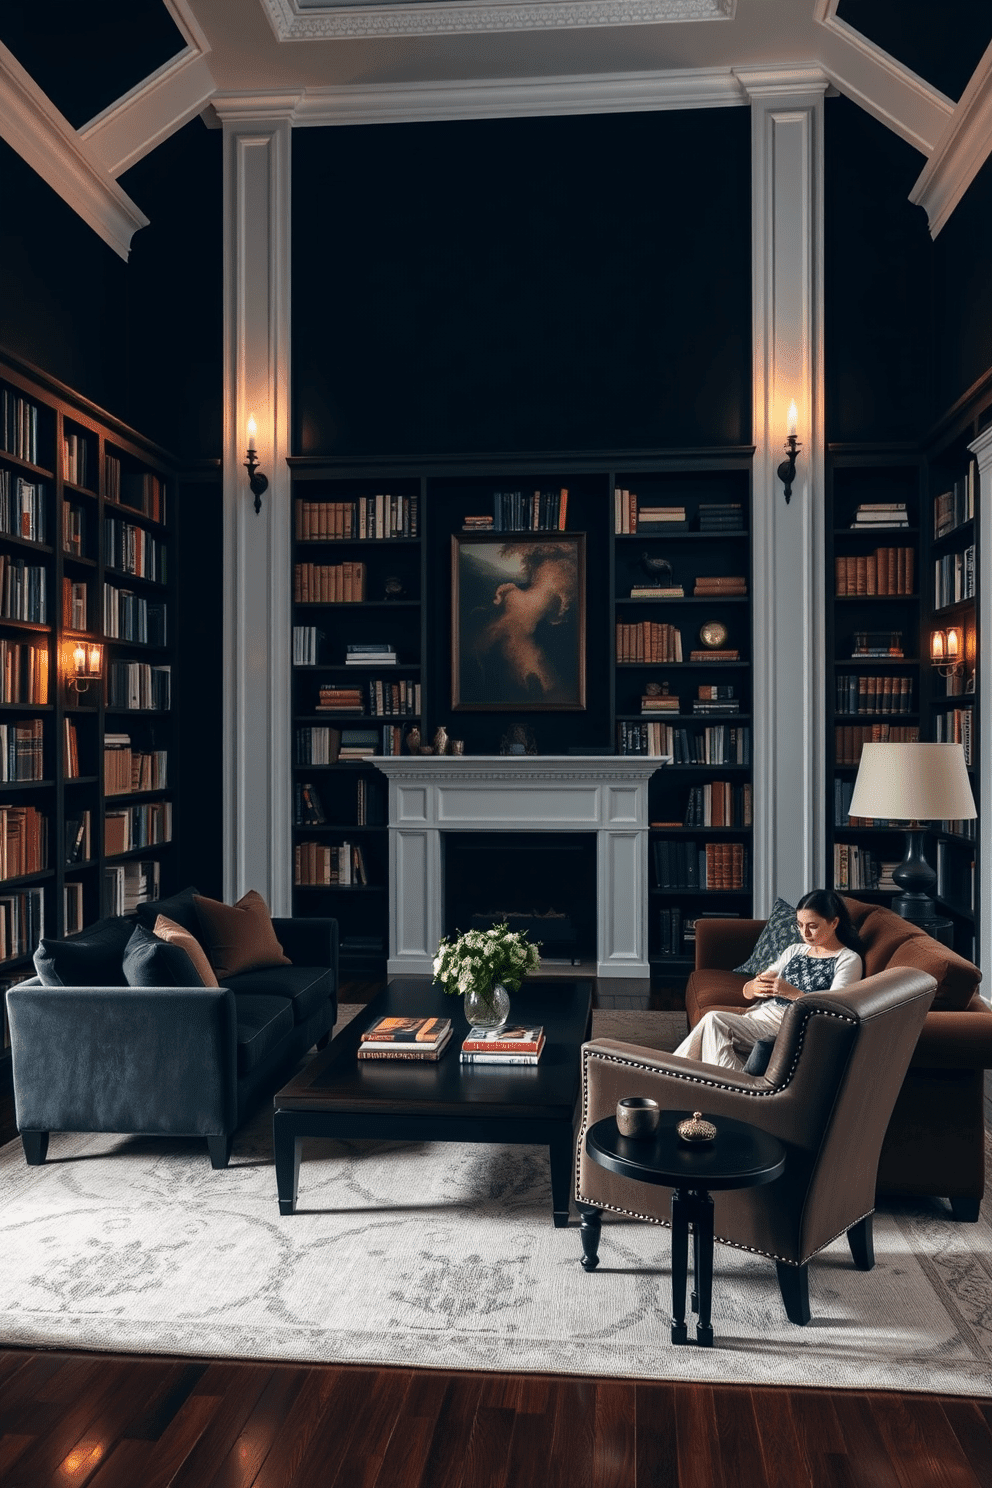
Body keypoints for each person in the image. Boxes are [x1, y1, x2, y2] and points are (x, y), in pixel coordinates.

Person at [672, 890, 864, 1071]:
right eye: (799, 925)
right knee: (711, 1033)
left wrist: (793, 993)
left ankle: (668, 1076)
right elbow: (748, 991)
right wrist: (754, 987)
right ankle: (699, 1085)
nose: (805, 933)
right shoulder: (795, 950)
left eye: (813, 926)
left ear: (834, 923)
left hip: (788, 1023)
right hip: (757, 1016)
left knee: (714, 1020)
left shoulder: (847, 959)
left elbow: (833, 1011)